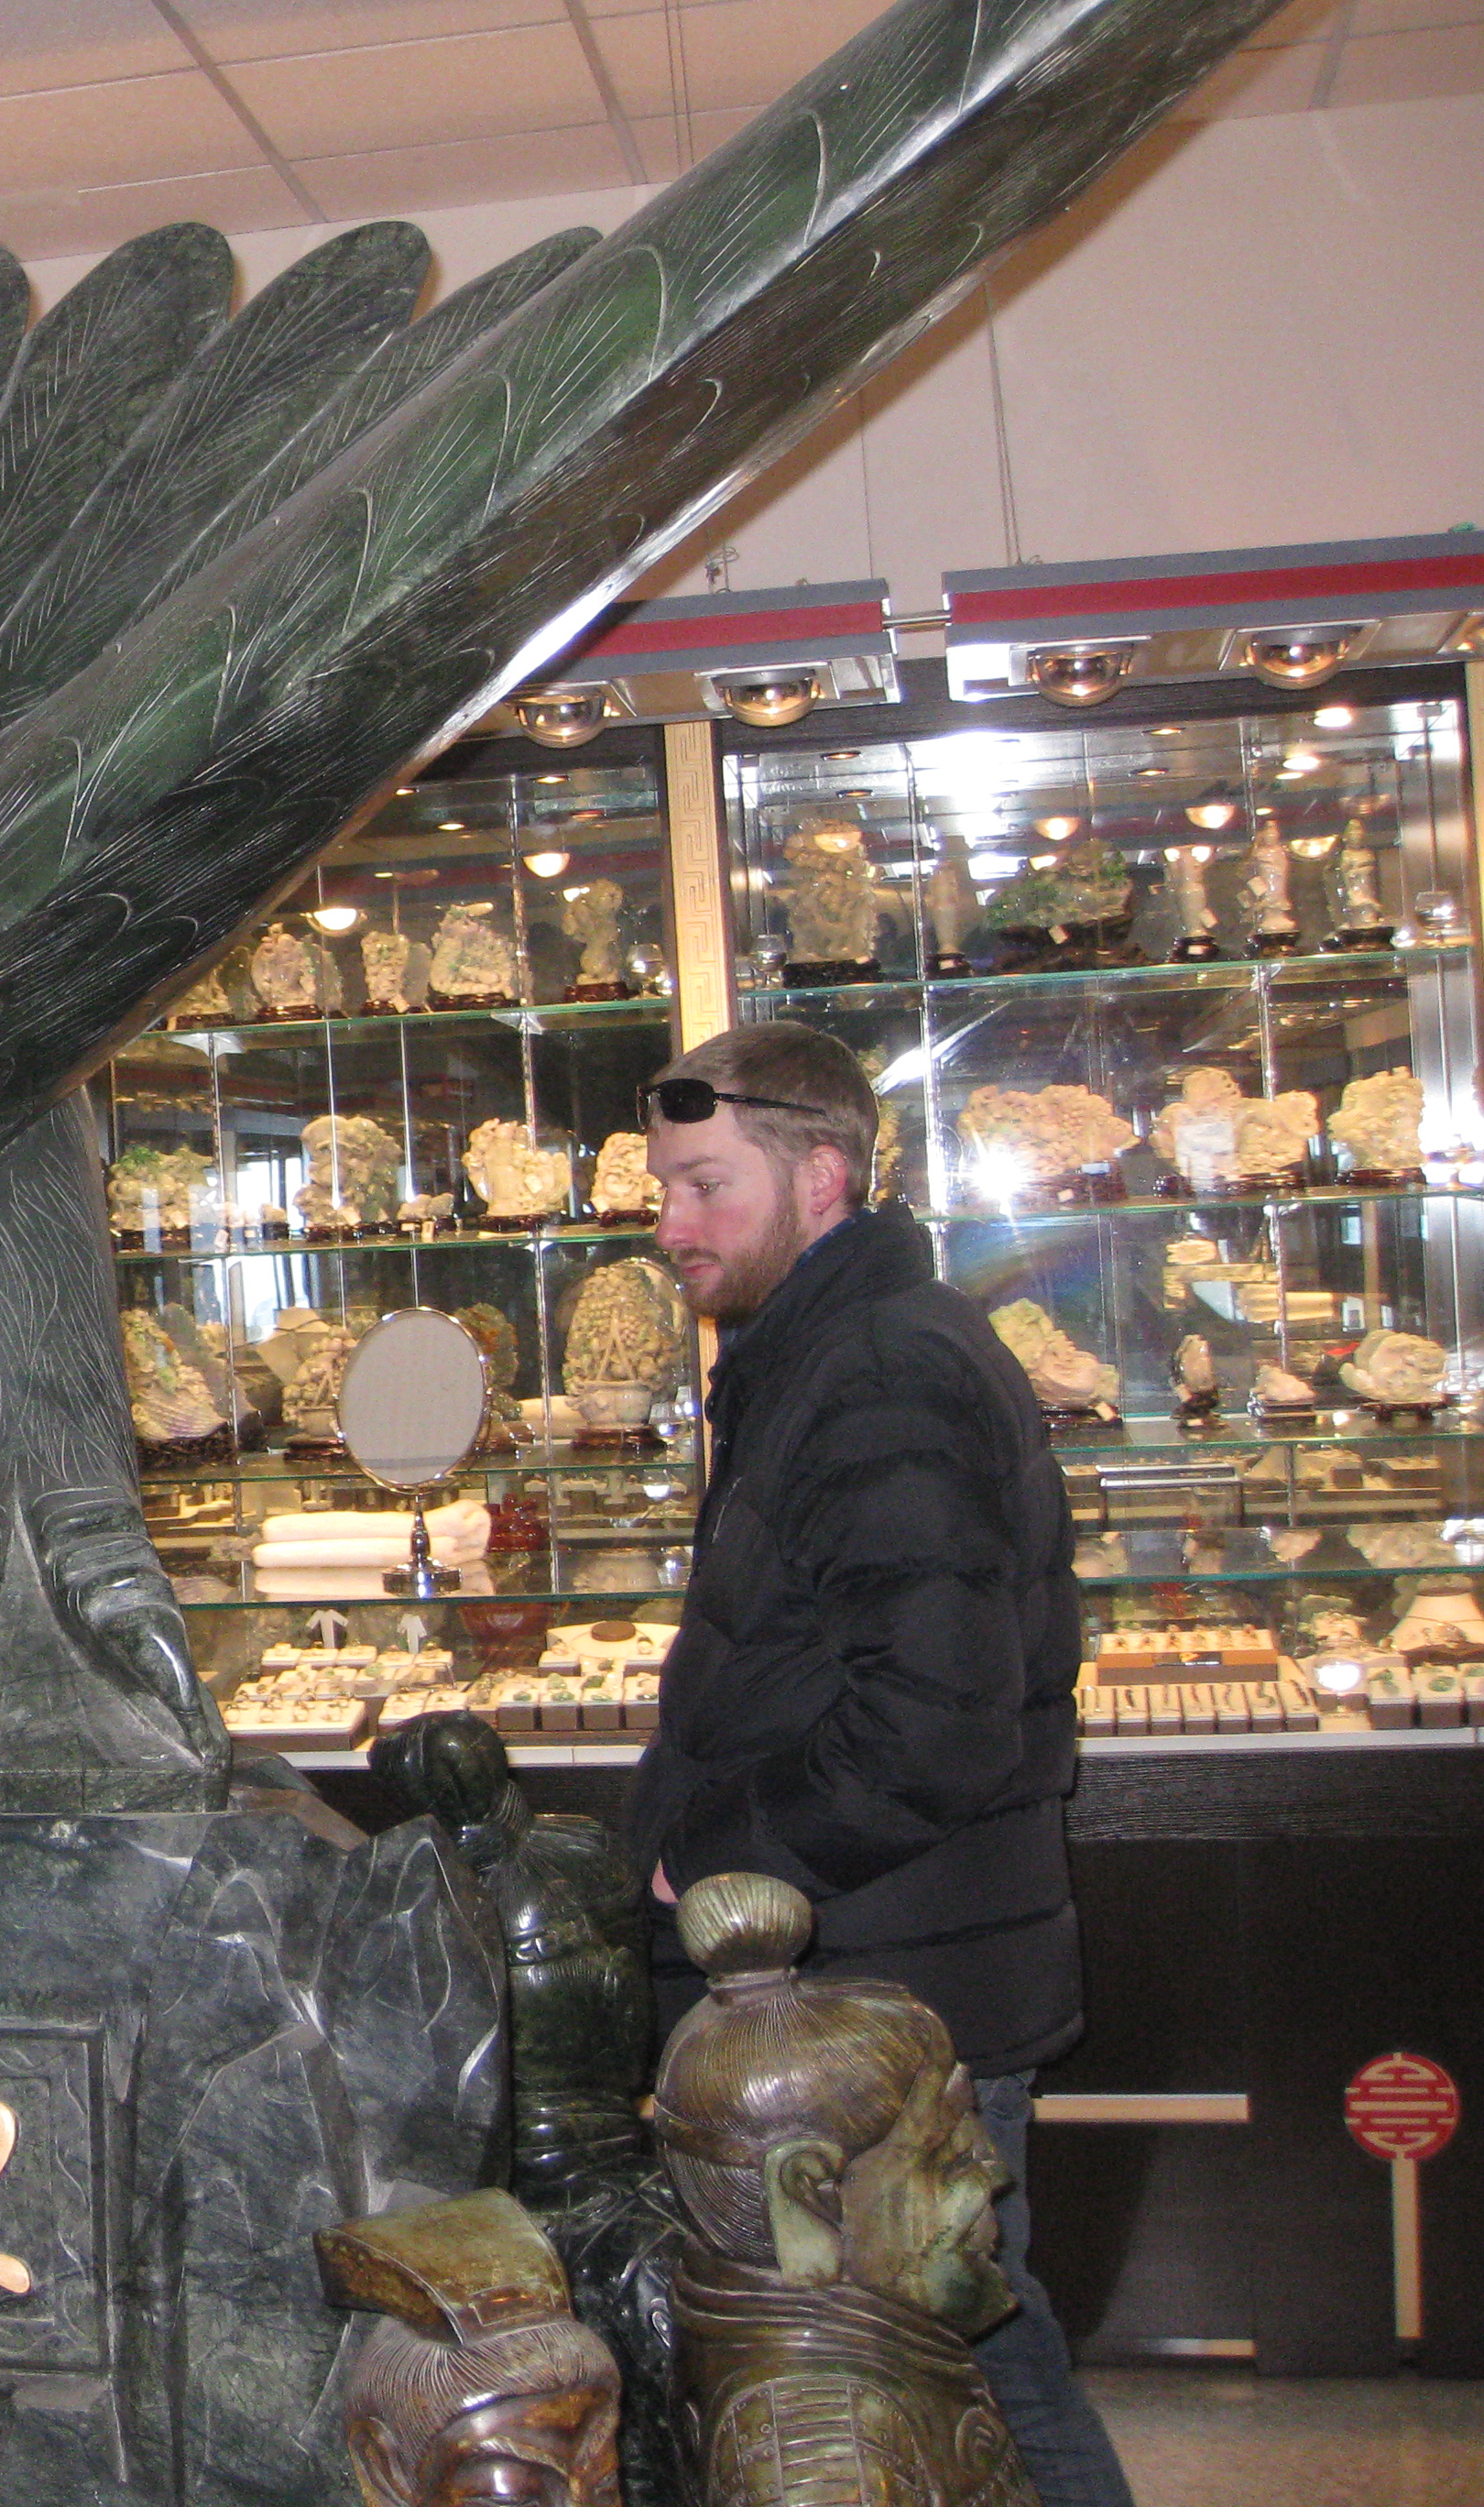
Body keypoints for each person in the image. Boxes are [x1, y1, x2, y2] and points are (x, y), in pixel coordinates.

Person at [624, 1019, 1130, 2507]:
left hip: (892, 1999)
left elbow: (938, 1716)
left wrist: (719, 1864)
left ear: (822, 1177)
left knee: (963, 2360)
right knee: (921, 2369)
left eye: (706, 1187)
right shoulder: (821, 1354)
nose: (672, 1227)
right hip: (885, 1975)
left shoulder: (880, 1371)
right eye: (663, 1190)